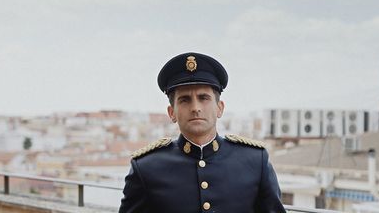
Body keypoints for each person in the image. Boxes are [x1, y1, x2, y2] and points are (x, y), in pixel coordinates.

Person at [119, 52, 286, 213]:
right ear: (172, 113)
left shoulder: (255, 161)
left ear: (219, 108)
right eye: (185, 100)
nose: (195, 108)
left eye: (203, 98)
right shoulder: (146, 168)